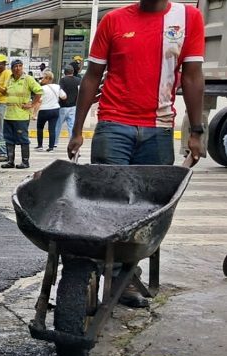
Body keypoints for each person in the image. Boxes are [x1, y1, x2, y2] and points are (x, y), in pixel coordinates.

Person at [67, 0, 205, 308]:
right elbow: (92, 76)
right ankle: (113, 273)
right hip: (113, 125)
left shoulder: (188, 17)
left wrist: (197, 131)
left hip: (160, 128)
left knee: (147, 209)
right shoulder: (114, 20)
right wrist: (77, 131)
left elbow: (193, 75)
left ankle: (125, 276)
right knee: (109, 203)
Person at [0, 59, 42, 169]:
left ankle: (25, 162)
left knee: (23, 139)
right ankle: (10, 161)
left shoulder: (28, 79)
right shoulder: (10, 79)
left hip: (21, 116)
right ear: (12, 69)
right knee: (8, 139)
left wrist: (32, 104)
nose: (18, 68)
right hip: (9, 115)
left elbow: (39, 91)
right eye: (15, 66)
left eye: (20, 66)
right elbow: (6, 92)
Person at [35, 70, 66, 152]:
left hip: (44, 110)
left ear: (47, 78)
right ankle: (51, 147)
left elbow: (39, 100)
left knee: (40, 128)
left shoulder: (41, 88)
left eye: (43, 78)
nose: (41, 79)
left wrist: (34, 113)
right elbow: (64, 96)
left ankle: (40, 145)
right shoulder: (57, 86)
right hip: (55, 110)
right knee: (52, 129)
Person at [55, 65, 81, 142]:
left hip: (63, 106)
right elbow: (80, 92)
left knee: (58, 125)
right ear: (73, 72)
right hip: (73, 106)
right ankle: (72, 141)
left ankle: (55, 142)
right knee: (71, 125)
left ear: (64, 72)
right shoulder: (78, 80)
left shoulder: (63, 80)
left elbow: (60, 91)